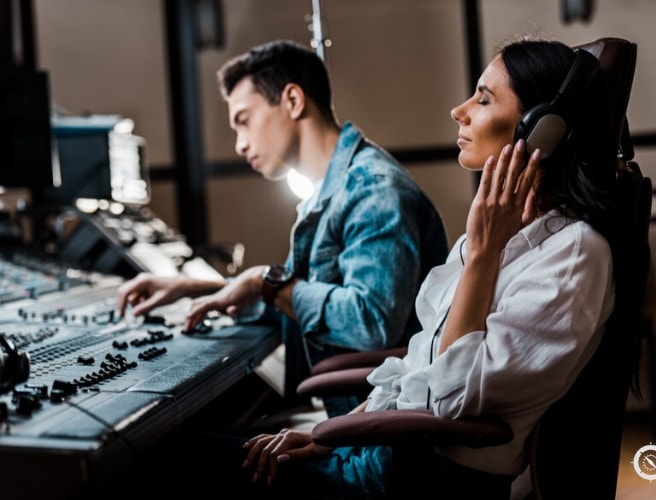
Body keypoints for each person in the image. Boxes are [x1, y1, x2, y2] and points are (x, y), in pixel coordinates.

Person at [214, 36, 626, 499]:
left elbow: (447, 401)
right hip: (381, 453)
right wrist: (331, 432)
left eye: (484, 99)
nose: (460, 110)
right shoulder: (490, 234)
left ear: (541, 129)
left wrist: (485, 255)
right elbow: (417, 366)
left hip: (422, 480)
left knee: (164, 460)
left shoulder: (571, 254)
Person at [115, 40, 449, 417]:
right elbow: (296, 300)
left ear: (292, 100)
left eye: (244, 120)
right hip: (354, 422)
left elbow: (369, 322)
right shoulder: (332, 189)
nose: (240, 145)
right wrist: (197, 288)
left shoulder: (372, 189)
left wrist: (265, 282)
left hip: (376, 441)